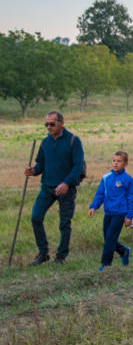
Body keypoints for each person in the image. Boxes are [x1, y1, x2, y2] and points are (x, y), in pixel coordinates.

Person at [25, 111, 85, 265]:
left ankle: (60, 257)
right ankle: (43, 253)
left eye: (52, 124)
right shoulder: (45, 142)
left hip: (67, 188)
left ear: (61, 123)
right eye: (46, 124)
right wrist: (33, 171)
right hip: (47, 187)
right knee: (35, 217)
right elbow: (40, 165)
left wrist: (66, 183)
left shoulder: (73, 140)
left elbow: (78, 166)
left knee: (64, 223)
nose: (49, 127)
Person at [88, 151, 133, 271]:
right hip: (108, 212)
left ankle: (105, 264)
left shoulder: (127, 179)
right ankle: (123, 251)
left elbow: (131, 199)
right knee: (108, 238)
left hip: (120, 213)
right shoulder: (106, 178)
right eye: (114, 160)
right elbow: (100, 194)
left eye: (119, 161)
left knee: (110, 239)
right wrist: (94, 206)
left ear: (125, 163)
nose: (116, 163)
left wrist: (130, 216)